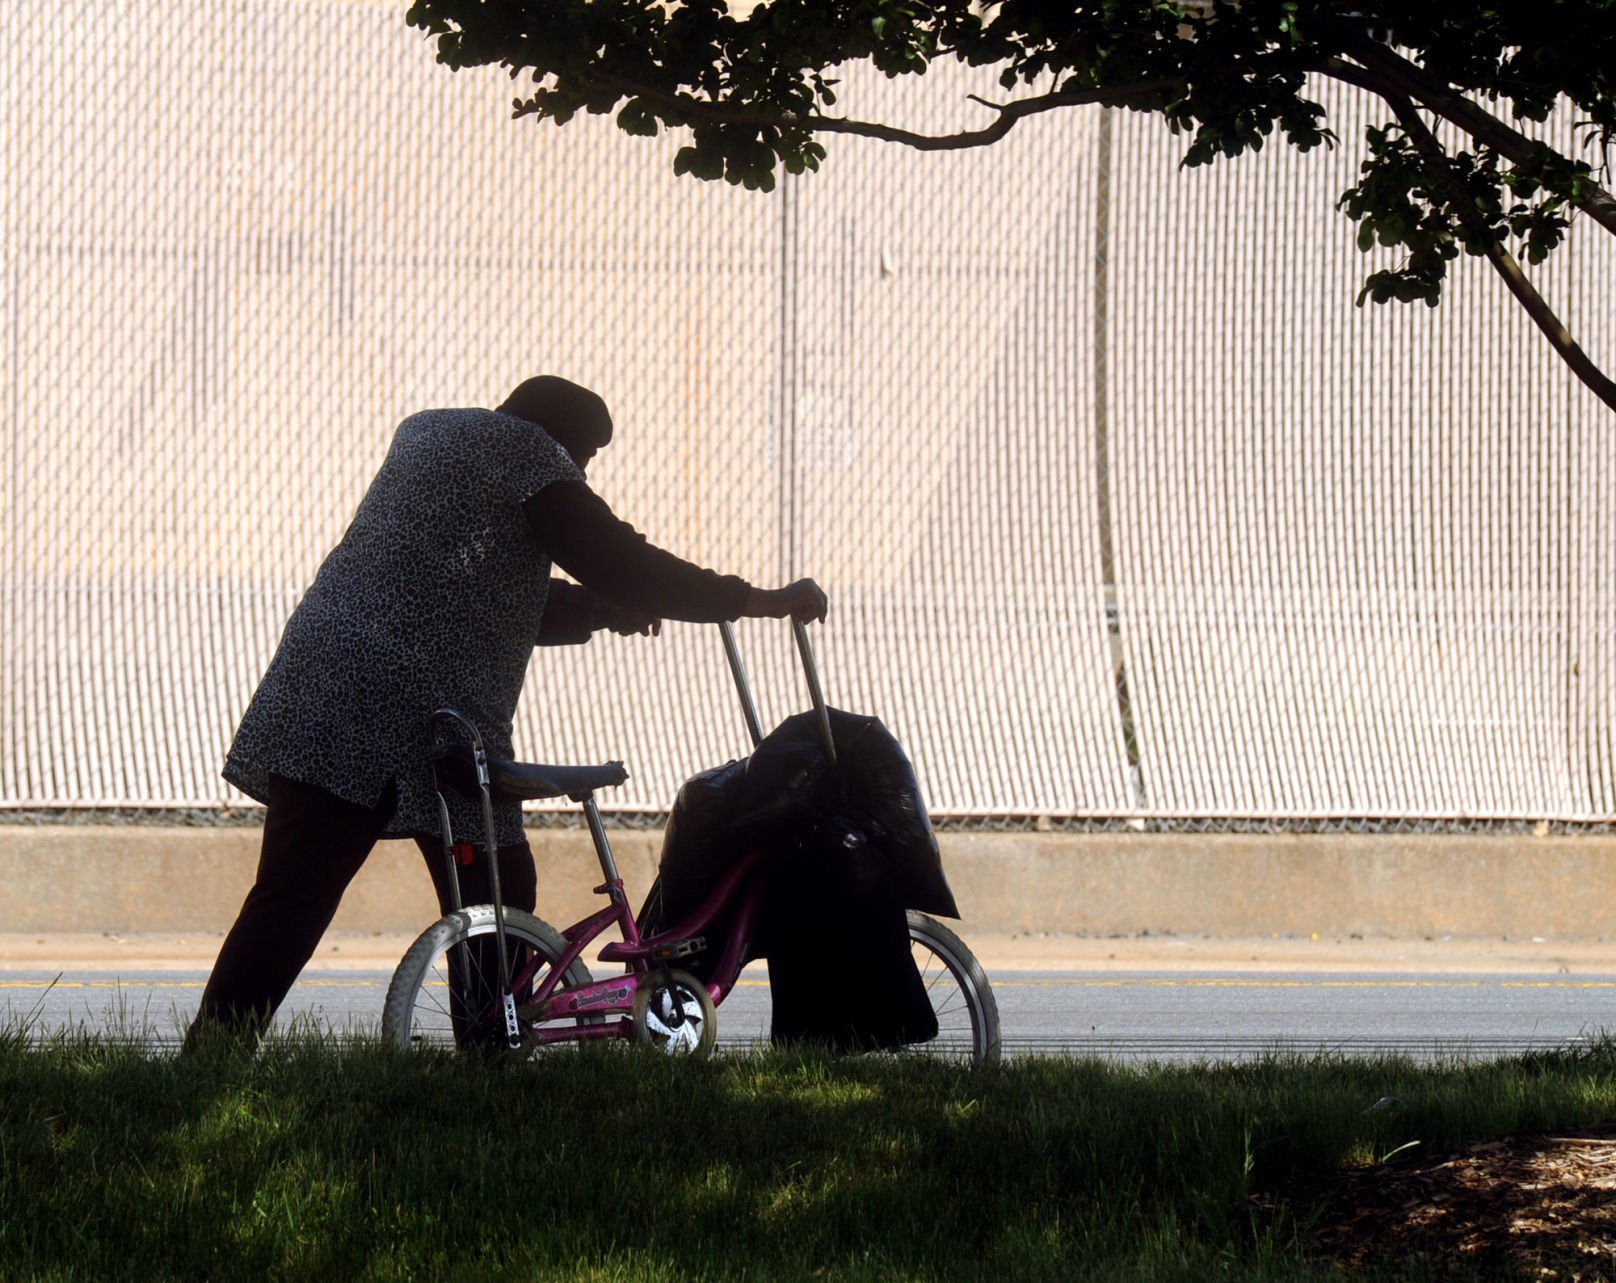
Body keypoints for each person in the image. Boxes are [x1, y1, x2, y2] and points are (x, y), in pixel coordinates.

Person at [185, 375, 827, 1047]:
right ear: (566, 442)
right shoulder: (531, 456)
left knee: (291, 894)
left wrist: (604, 611)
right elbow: (623, 561)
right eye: (585, 460)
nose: (579, 476)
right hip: (416, 709)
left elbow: (484, 596)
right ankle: (488, 1053)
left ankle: (212, 1054)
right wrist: (759, 600)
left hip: (321, 681)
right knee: (495, 878)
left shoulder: (428, 434)